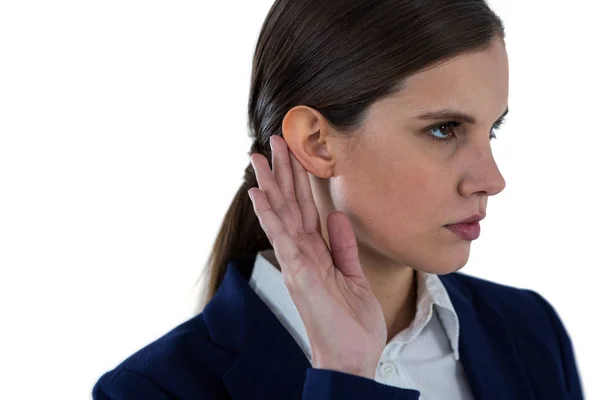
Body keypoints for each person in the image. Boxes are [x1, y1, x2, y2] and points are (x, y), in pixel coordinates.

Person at [92, 0, 584, 398]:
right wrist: (345, 374)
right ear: (316, 143)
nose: (492, 180)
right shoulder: (154, 390)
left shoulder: (531, 333)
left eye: (491, 129)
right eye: (443, 129)